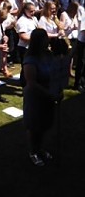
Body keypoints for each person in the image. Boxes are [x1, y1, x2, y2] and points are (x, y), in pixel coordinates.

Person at [22, 29, 66, 166]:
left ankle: (40, 148)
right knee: (34, 125)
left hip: (48, 94)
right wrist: (50, 94)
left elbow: (54, 72)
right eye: (44, 38)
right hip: (35, 97)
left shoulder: (48, 55)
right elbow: (31, 83)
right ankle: (32, 151)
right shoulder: (30, 60)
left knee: (44, 124)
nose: (47, 40)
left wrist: (58, 89)